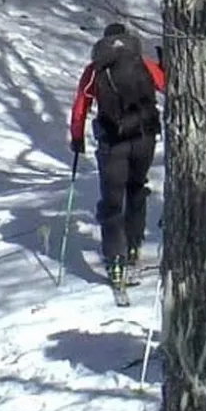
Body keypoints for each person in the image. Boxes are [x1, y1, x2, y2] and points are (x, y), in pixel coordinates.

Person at [69, 22, 165, 289]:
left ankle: (115, 261)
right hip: (144, 139)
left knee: (112, 202)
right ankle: (133, 246)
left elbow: (81, 106)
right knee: (136, 189)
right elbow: (165, 83)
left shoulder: (94, 70)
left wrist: (77, 137)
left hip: (112, 143)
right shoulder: (142, 63)